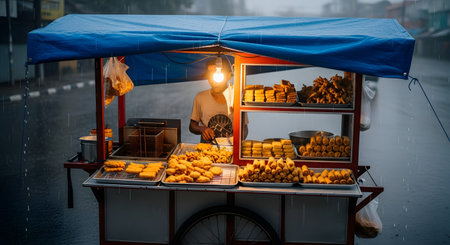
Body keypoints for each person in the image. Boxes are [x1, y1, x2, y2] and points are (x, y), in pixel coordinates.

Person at [189, 57, 247, 142]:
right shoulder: (200, 97)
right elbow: (192, 126)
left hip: (231, 149)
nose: (215, 82)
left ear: (229, 76)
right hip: (207, 150)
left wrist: (237, 140)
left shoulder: (237, 97)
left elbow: (244, 128)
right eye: (210, 77)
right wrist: (202, 129)